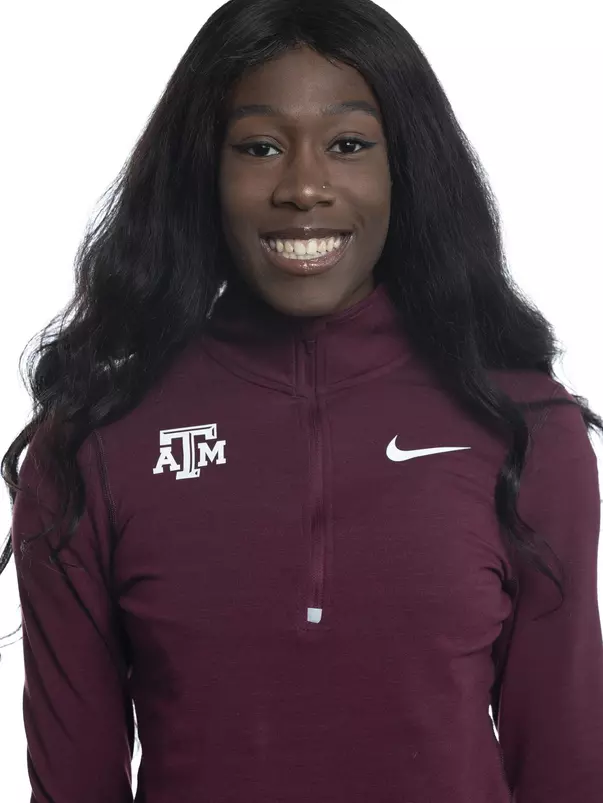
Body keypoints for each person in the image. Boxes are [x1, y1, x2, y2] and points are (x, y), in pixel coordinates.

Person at [2, 0, 602, 801]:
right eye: (259, 146)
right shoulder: (95, 442)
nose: (305, 186)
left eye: (349, 144)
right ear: (203, 171)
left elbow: (566, 762)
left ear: (405, 169)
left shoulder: (523, 430)